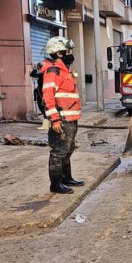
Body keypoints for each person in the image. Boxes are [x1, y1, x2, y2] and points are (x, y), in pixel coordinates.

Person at [42, 36, 83, 194]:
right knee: (59, 152)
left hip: (71, 118)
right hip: (61, 118)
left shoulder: (65, 70)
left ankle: (67, 178)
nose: (70, 53)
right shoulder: (54, 71)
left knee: (68, 149)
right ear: (59, 53)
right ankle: (56, 184)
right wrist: (54, 119)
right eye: (68, 51)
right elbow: (48, 97)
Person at [30, 61, 51, 130]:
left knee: (43, 107)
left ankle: (46, 124)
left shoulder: (43, 74)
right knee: (45, 108)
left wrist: (34, 69)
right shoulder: (48, 73)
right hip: (45, 92)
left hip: (42, 93)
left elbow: (32, 74)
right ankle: (48, 123)